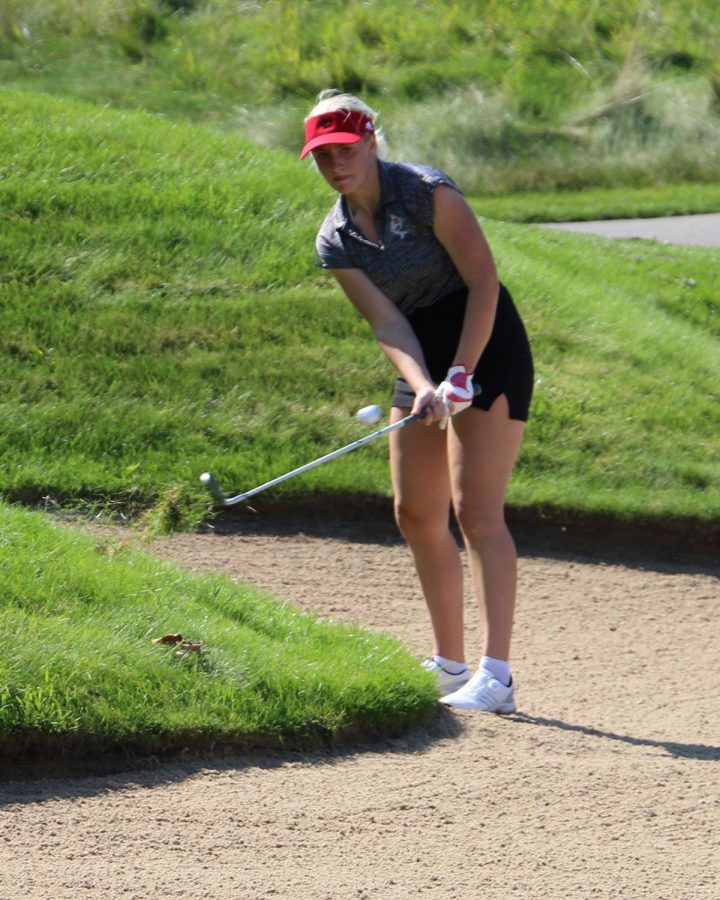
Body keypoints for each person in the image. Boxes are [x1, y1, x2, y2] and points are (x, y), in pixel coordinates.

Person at [300, 90, 534, 713]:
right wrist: (426, 383)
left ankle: (498, 675)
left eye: (345, 151)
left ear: (372, 141)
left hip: (486, 342)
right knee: (414, 510)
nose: (336, 166)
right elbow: (387, 322)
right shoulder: (335, 238)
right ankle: (451, 663)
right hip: (423, 356)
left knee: (475, 511)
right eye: (322, 157)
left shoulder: (429, 193)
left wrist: (463, 371)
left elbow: (484, 279)